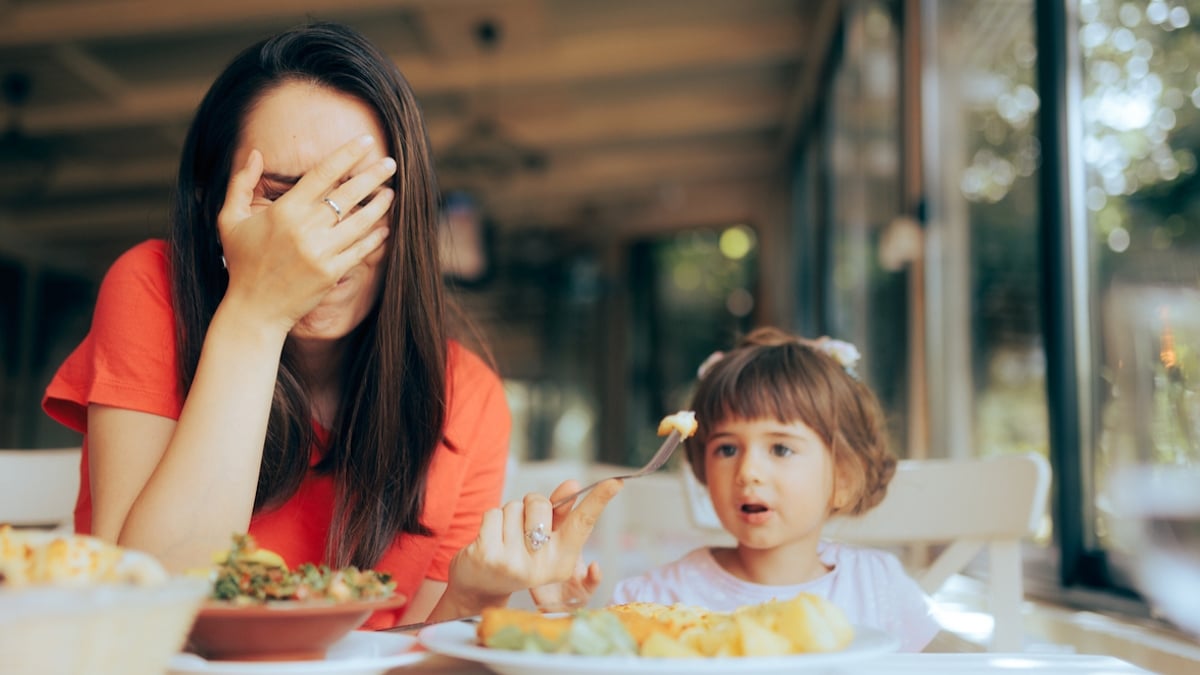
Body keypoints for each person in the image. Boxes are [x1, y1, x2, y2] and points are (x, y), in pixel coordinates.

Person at [41, 21, 618, 629]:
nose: (314, 245)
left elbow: (409, 663)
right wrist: (257, 312)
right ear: (213, 206)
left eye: (359, 200)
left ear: (409, 216)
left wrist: (473, 600)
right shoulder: (152, 288)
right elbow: (142, 609)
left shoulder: (467, 398)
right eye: (280, 197)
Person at [610, 327, 940, 652]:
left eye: (781, 449)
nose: (748, 472)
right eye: (727, 449)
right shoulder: (655, 599)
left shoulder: (877, 585)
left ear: (843, 479)